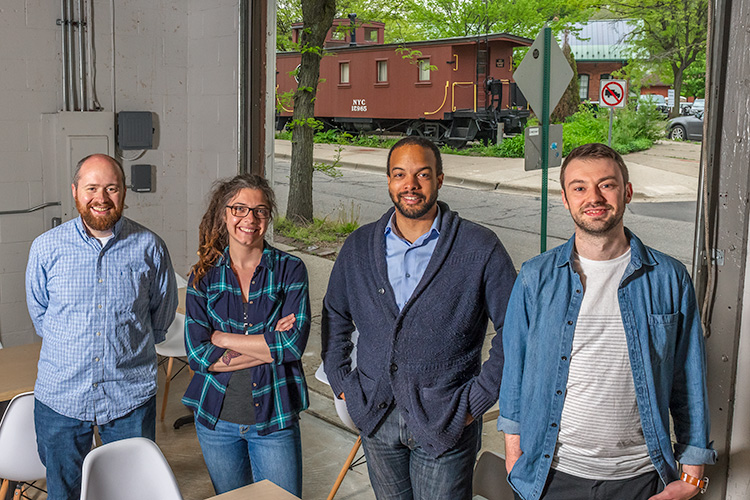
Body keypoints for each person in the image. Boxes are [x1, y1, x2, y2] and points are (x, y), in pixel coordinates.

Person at [498, 143, 717, 500]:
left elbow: (688, 377)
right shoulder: (535, 278)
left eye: (607, 184)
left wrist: (692, 474)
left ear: (627, 192)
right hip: (553, 475)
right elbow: (516, 371)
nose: (594, 197)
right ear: (566, 199)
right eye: (579, 187)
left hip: (641, 477)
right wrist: (513, 456)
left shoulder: (669, 278)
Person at [322, 136, 517, 499]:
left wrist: (476, 400)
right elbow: (335, 313)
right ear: (389, 180)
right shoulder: (359, 246)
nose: (410, 185)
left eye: (422, 175)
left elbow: (517, 329)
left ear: (439, 180)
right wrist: (343, 383)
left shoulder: (479, 247)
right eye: (399, 174)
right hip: (376, 418)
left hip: (446, 419)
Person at [25, 154, 178, 500]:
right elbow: (41, 316)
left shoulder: (150, 247)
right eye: (92, 188)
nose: (102, 197)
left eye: (112, 187)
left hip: (129, 397)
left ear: (124, 192)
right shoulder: (46, 248)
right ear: (76, 191)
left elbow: (161, 315)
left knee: (129, 492)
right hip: (61, 398)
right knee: (62, 493)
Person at [182, 174, 310, 497]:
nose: (249, 219)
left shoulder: (290, 270)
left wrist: (222, 339)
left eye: (260, 211)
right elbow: (197, 355)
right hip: (215, 421)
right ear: (224, 214)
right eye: (239, 209)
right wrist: (268, 343)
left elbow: (292, 345)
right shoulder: (203, 276)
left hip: (274, 418)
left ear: (268, 217)